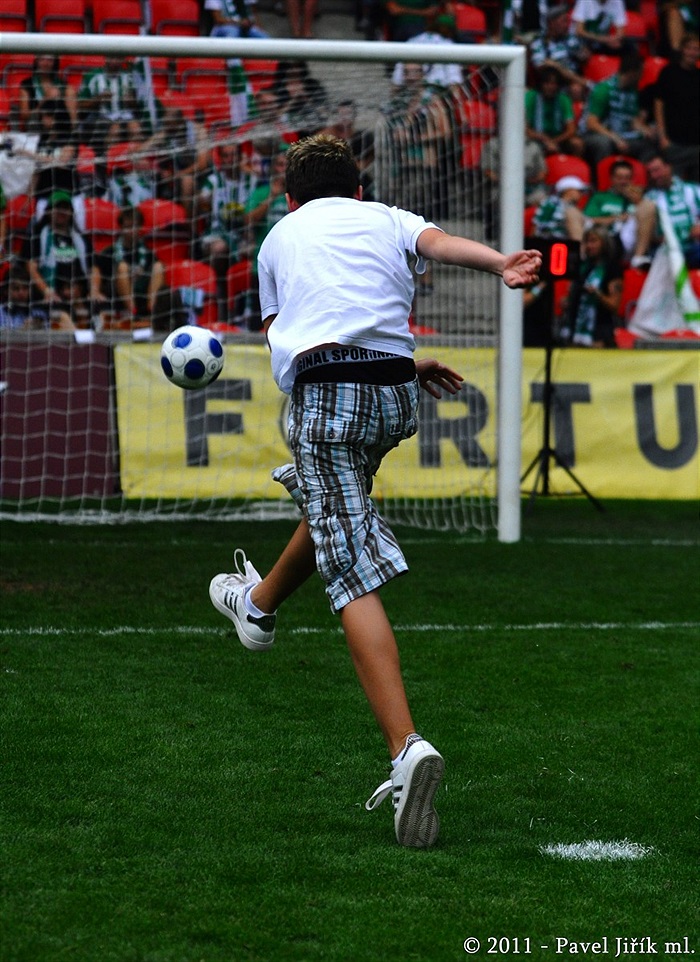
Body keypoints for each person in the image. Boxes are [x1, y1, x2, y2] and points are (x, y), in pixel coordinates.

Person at [207, 133, 542, 848]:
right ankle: (258, 606)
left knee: (351, 566)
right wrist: (501, 264)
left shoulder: (280, 236)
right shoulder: (385, 215)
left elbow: (282, 336)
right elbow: (443, 243)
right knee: (338, 515)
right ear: (356, 189)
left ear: (290, 196)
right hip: (396, 394)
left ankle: (405, 749)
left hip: (330, 397)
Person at [25, 189, 106, 328]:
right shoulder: (38, 237)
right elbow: (31, 268)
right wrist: (47, 291)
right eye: (57, 208)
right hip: (51, 293)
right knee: (62, 315)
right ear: (49, 211)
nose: (61, 212)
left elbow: (94, 267)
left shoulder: (81, 238)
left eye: (65, 208)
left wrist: (94, 289)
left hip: (80, 292)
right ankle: (80, 347)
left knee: (102, 308)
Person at [581, 49, 657, 168]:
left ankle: (641, 180)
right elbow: (591, 123)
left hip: (622, 134)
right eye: (641, 72)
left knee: (647, 144)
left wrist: (645, 130)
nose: (643, 76)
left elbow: (632, 120)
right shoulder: (604, 89)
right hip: (598, 133)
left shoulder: (633, 92)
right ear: (633, 72)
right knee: (604, 144)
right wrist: (615, 138)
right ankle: (605, 179)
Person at [95, 206, 166, 324]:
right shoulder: (109, 251)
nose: (131, 230)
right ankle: (133, 313)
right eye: (128, 227)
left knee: (158, 266)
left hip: (141, 291)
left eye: (134, 226)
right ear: (121, 228)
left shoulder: (147, 252)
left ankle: (151, 312)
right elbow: (96, 270)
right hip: (115, 293)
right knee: (122, 267)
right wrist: (95, 290)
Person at [583, 157, 658, 267]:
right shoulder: (600, 197)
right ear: (612, 178)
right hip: (605, 237)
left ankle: (638, 257)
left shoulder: (637, 200)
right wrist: (617, 218)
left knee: (648, 206)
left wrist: (637, 201)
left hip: (629, 239)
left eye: (627, 178)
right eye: (619, 178)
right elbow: (588, 220)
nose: (623, 182)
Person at [653, 33, 700, 183]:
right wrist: (662, 137)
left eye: (696, 49)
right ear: (682, 50)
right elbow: (659, 105)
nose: (692, 53)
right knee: (674, 185)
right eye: (689, 48)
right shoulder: (668, 72)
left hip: (696, 144)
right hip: (674, 142)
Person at [566, 224, 623, 345]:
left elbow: (614, 305)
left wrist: (597, 294)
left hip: (599, 333)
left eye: (594, 241)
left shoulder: (612, 269)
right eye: (587, 242)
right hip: (575, 331)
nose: (589, 246)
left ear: (604, 243)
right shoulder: (582, 267)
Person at [644, 153, 700, 268]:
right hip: (665, 251)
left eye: (656, 170)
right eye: (650, 173)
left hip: (694, 247)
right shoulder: (648, 198)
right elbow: (643, 233)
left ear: (668, 167)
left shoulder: (692, 190)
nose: (654, 176)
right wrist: (656, 239)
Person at [528, 4, 590, 99]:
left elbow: (584, 56)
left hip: (571, 81)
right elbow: (541, 68)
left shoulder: (570, 40)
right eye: (563, 21)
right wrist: (558, 69)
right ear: (551, 23)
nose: (567, 25)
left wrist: (585, 53)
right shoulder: (539, 43)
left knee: (576, 88)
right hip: (550, 83)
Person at [525, 66, 585, 157]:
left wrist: (553, 141)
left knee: (577, 143)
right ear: (541, 84)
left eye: (554, 84)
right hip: (536, 137)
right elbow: (525, 128)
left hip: (558, 138)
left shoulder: (564, 99)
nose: (551, 87)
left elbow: (571, 129)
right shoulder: (530, 97)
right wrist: (543, 139)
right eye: (547, 83)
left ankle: (575, 169)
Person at [18, 55, 78, 135]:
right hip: (35, 123)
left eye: (50, 60)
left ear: (55, 63)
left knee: (70, 93)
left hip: (61, 127)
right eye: (42, 59)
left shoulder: (64, 86)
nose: (45, 63)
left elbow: (73, 120)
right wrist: (45, 99)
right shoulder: (27, 84)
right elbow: (24, 116)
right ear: (36, 61)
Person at [532, 174, 588, 240]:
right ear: (568, 190)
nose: (581, 194)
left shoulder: (546, 202)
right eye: (579, 191)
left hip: (539, 243)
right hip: (560, 245)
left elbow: (534, 228)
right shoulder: (568, 208)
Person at [205, 0, 270, 37]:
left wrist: (251, 23)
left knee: (260, 34)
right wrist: (238, 22)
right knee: (233, 31)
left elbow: (253, 15)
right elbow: (218, 19)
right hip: (223, 28)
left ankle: (273, 60)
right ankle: (233, 61)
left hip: (246, 27)